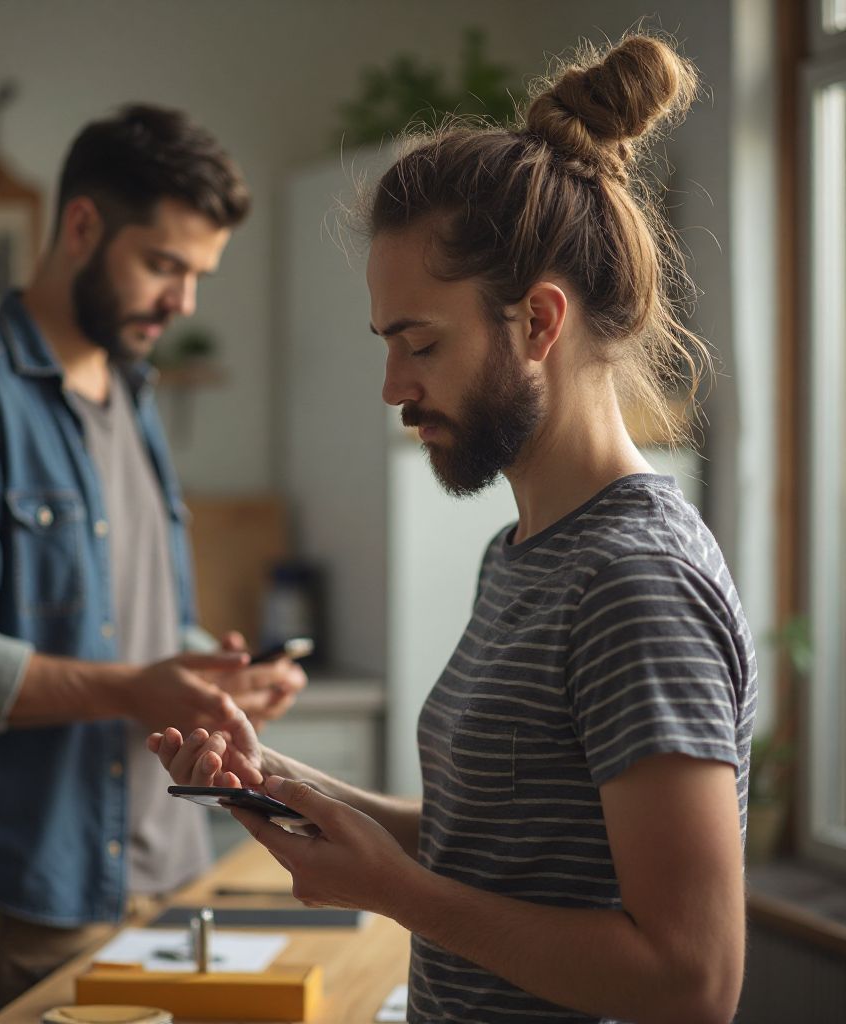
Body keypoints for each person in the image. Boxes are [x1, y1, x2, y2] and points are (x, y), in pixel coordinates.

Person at [151, 34, 756, 1024]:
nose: (394, 387)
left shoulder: (635, 582)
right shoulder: (522, 554)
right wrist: (277, 780)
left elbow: (692, 981)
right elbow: (502, 847)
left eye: (420, 343)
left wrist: (394, 892)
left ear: (539, 323)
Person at [0, 104, 306, 1024]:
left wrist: (209, 677)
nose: (184, 302)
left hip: (164, 867)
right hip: (32, 888)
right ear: (80, 227)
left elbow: (132, 623)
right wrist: (133, 689)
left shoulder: (132, 395)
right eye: (164, 265)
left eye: (198, 275)